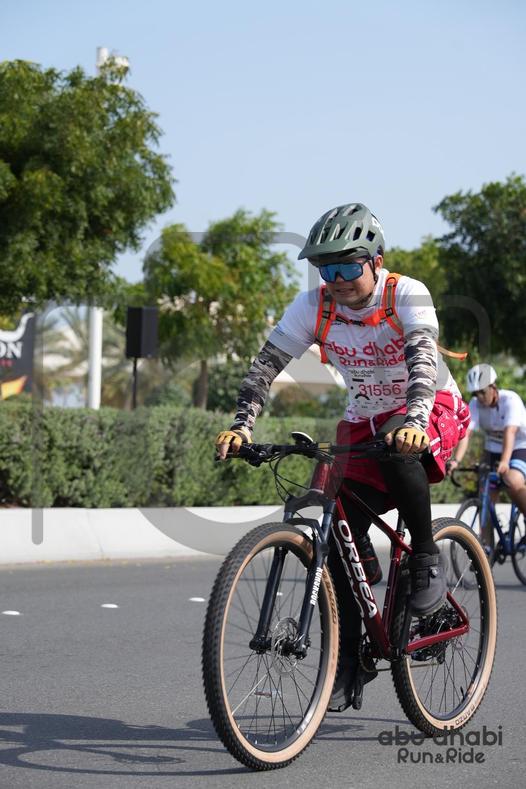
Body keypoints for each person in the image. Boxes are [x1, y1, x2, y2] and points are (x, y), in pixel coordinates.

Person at [215, 203, 470, 710]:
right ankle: (351, 661)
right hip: (363, 418)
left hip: (430, 405)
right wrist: (242, 426)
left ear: (377, 261)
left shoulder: (405, 293)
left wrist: (414, 422)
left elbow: (422, 358)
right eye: (326, 269)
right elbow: (266, 366)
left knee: (399, 450)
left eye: (348, 267)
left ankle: (424, 557)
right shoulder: (313, 306)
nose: (337, 281)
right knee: (331, 530)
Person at [448, 364, 526, 520]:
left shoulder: (510, 400)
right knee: (486, 494)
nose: (479, 397)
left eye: (482, 392)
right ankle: (486, 536)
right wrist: (456, 460)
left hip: (519, 446)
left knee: (512, 480)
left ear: (493, 387)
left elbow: (510, 432)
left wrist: (505, 461)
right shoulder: (475, 403)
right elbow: (466, 433)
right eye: (475, 393)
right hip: (493, 448)